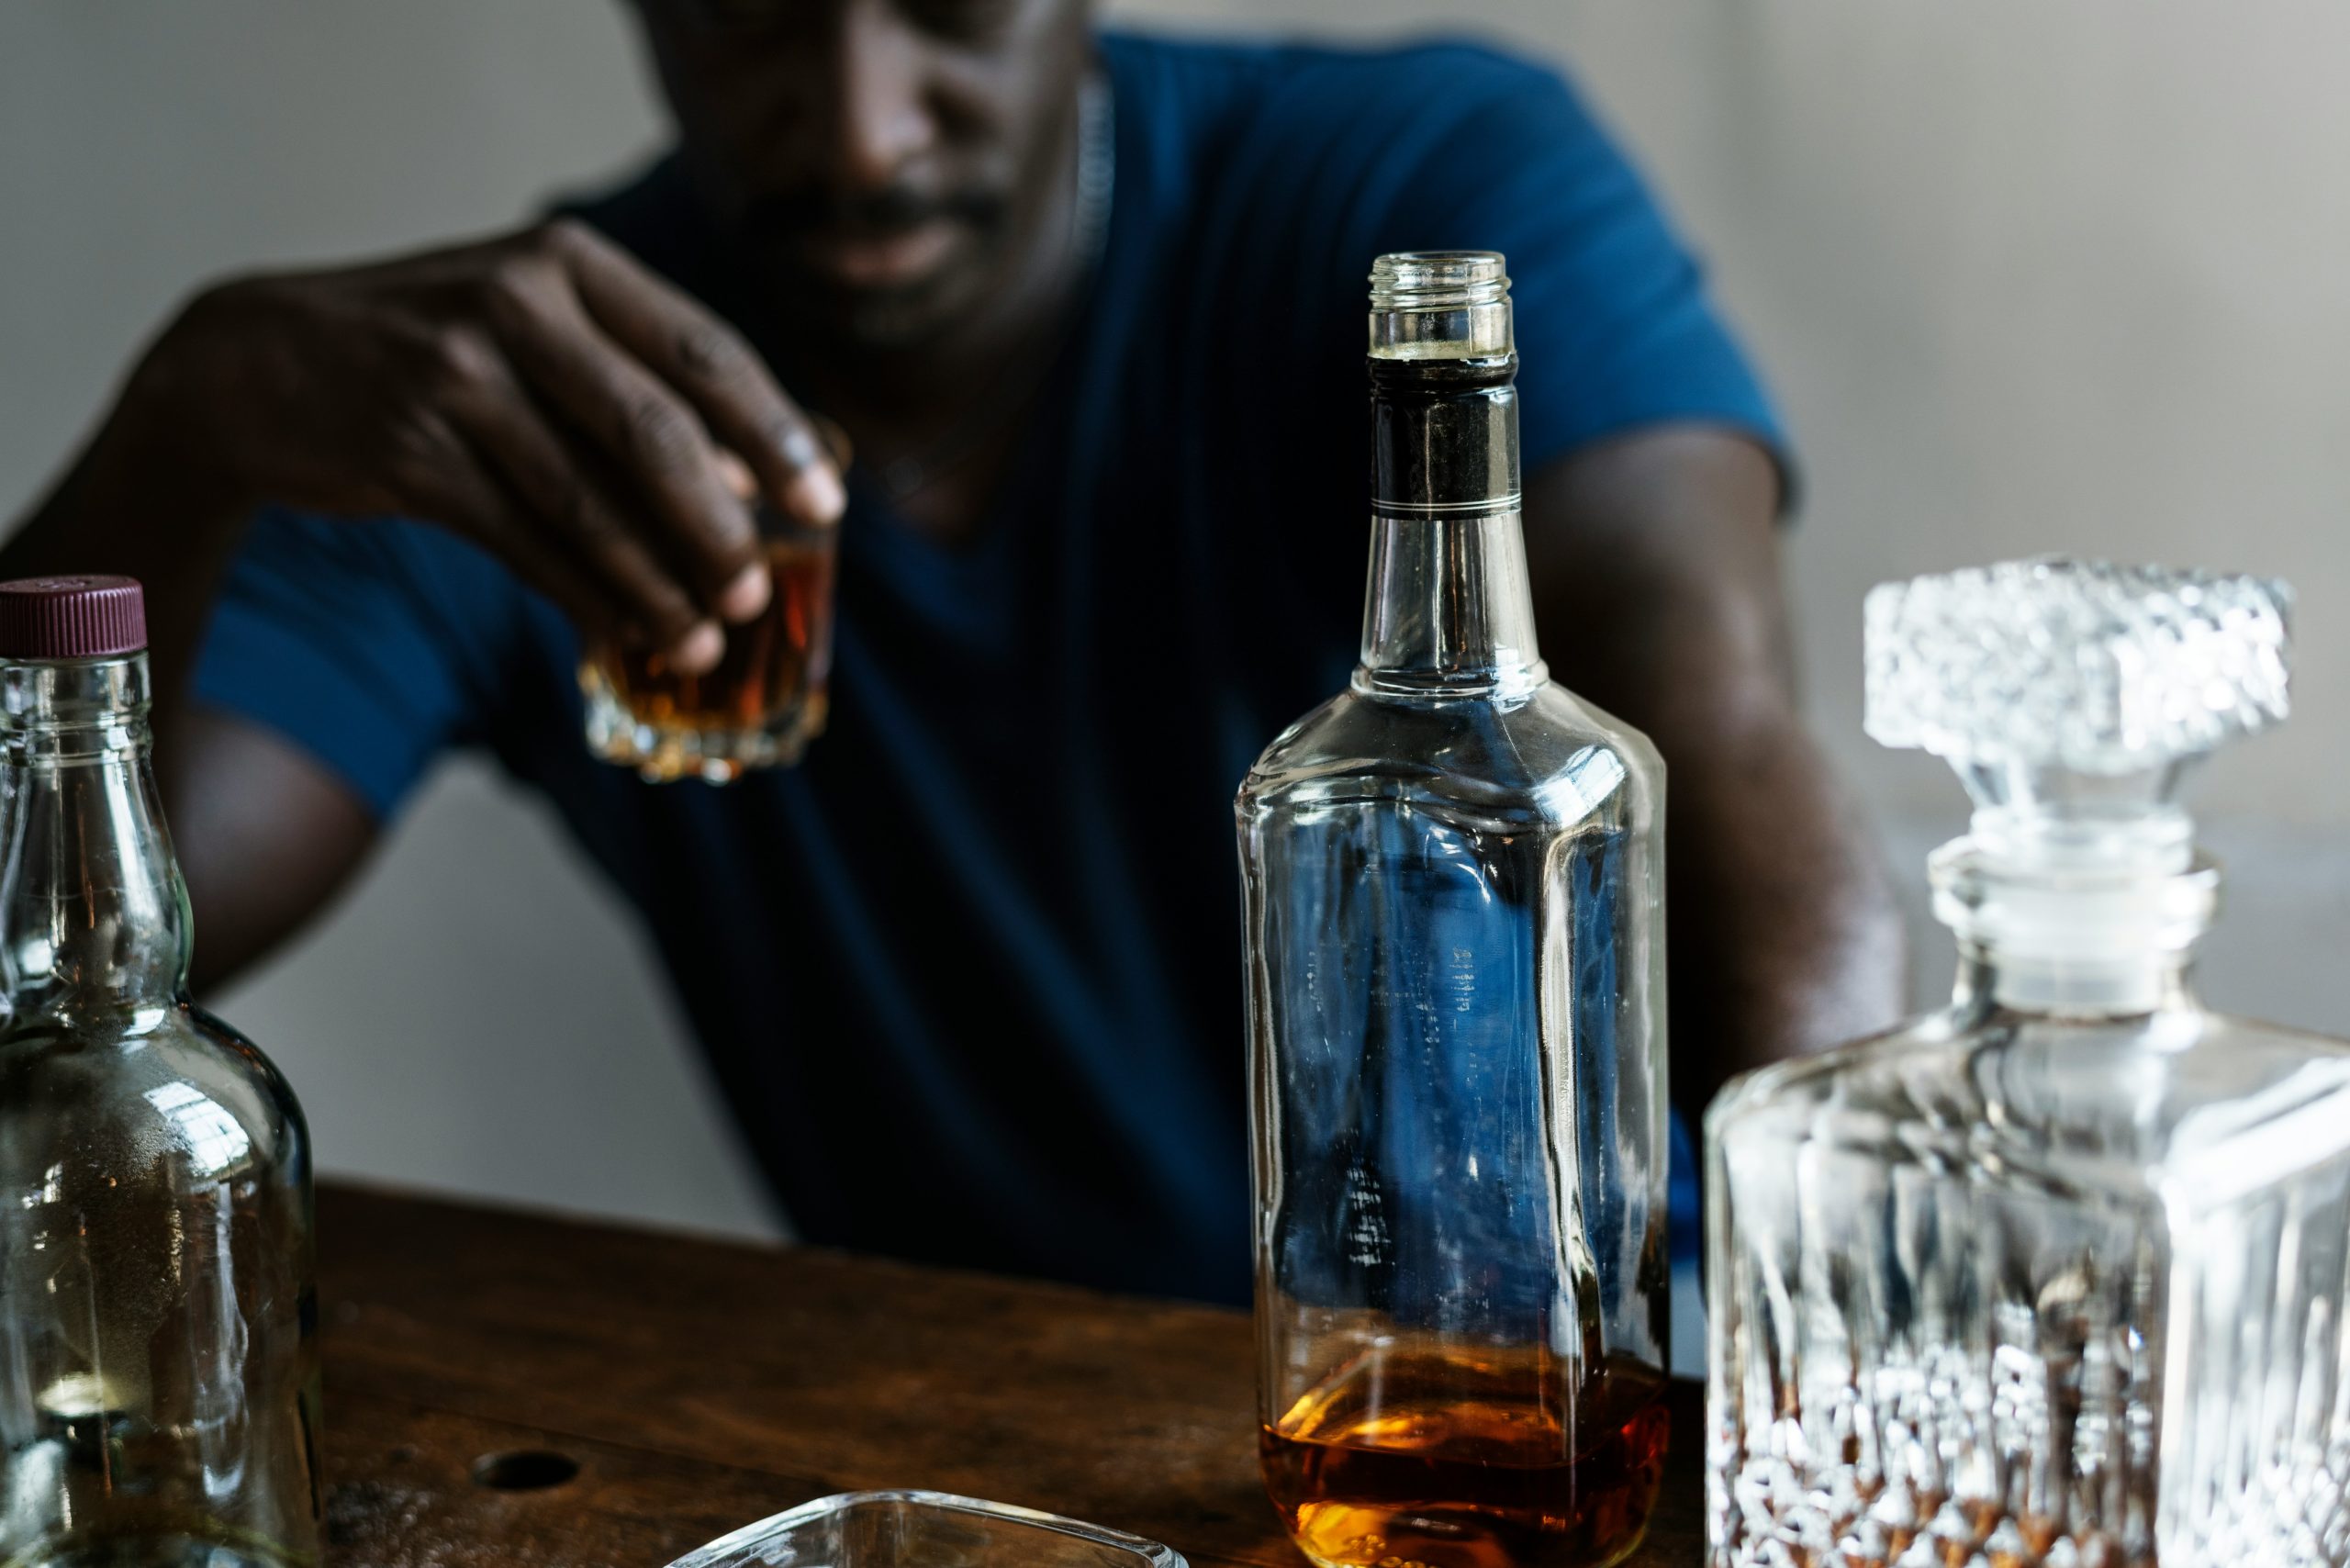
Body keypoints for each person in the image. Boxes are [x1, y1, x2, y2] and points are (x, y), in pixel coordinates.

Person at [5, 0, 1901, 1301]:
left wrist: (1830, 1328)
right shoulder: (516, 407)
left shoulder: (1419, 188)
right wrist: (182, 431)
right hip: (971, 1448)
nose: (861, 125)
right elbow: (52, 956)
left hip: (1541, 1393)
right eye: (752, 10)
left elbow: (1713, 752)